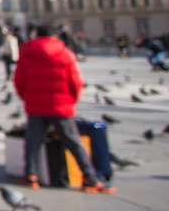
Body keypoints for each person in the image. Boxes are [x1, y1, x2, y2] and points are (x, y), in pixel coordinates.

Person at [13, 24, 114, 194]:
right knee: (73, 142)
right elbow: (75, 82)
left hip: (35, 105)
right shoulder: (65, 54)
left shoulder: (27, 53)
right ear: (55, 37)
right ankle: (90, 178)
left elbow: (18, 81)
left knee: (33, 142)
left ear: (36, 36)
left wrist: (28, 98)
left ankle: (31, 176)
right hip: (61, 106)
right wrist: (70, 101)